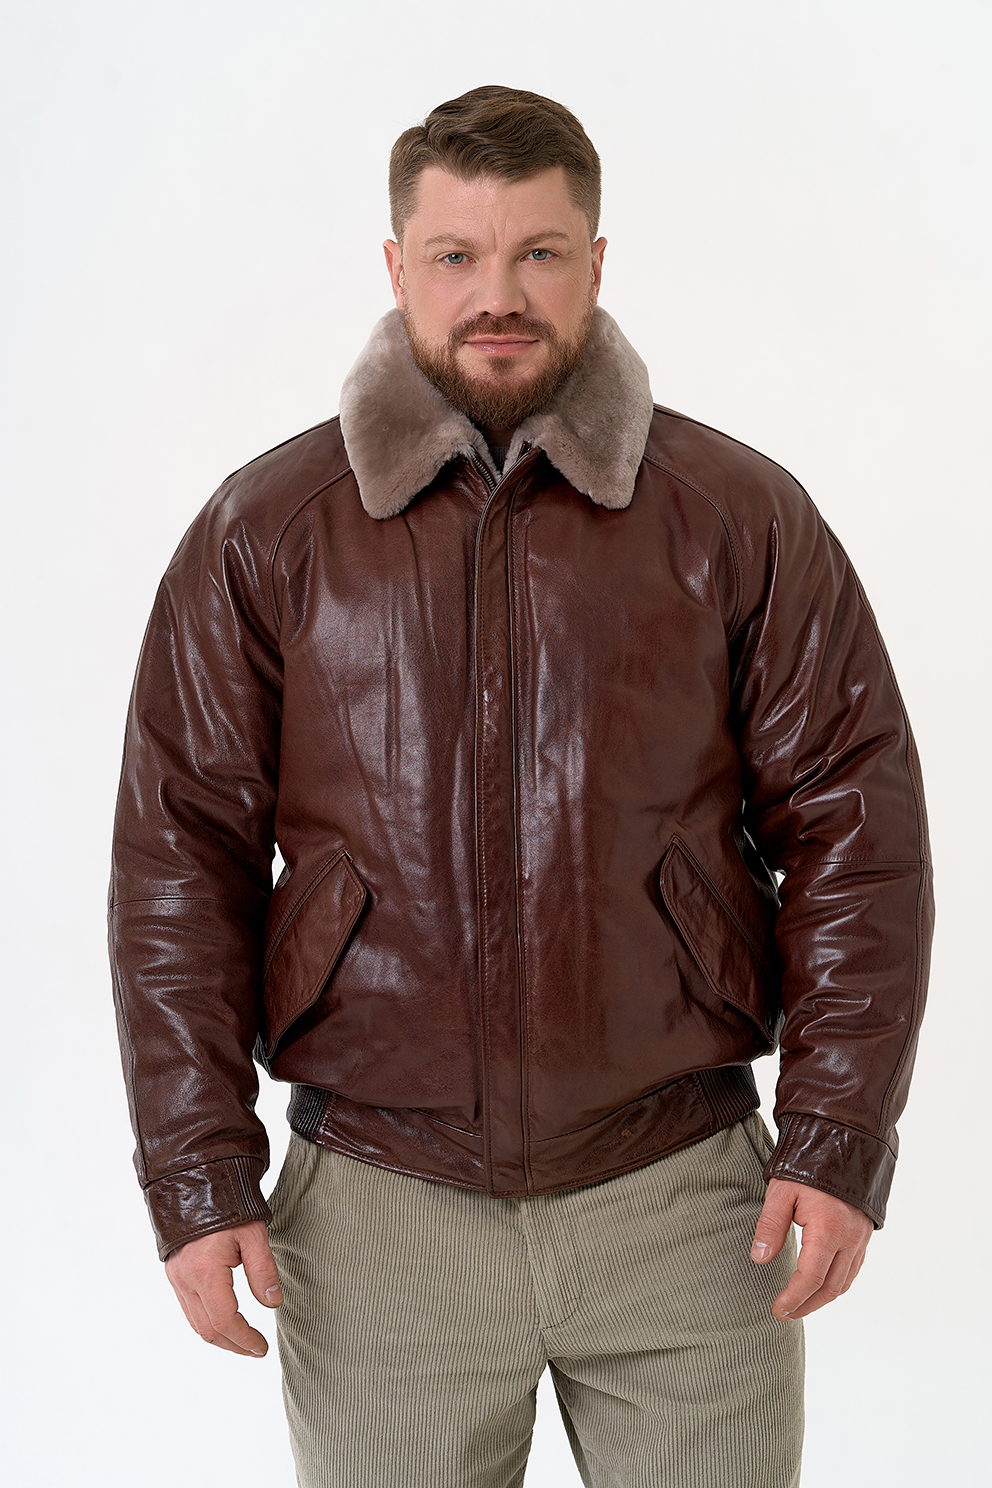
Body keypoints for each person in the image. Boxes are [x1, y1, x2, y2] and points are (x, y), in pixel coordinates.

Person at [109, 86, 933, 1488]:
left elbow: (857, 825)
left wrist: (838, 1131)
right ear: (397, 266)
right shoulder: (267, 531)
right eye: (457, 255)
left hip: (684, 1194)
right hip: (379, 1213)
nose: (498, 294)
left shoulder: (736, 517)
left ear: (596, 262)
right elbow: (179, 860)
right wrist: (197, 1173)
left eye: (539, 252)